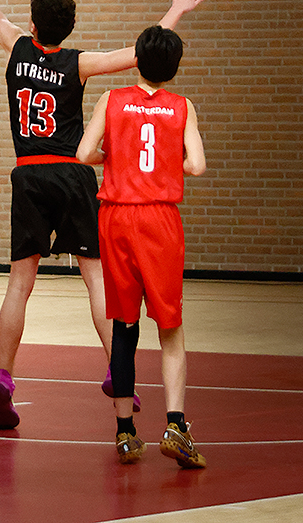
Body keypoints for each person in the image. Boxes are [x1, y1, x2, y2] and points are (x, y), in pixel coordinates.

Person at [0, 0, 206, 430]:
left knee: (19, 283)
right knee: (95, 277)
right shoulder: (78, 62)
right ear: (69, 28)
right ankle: (116, 372)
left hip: (28, 173)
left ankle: (4, 375)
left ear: (32, 25)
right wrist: (175, 11)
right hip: (73, 173)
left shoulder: (15, 46)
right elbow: (139, 55)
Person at [77, 25, 208, 468]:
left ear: (137, 60)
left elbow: (84, 154)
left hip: (115, 218)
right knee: (170, 327)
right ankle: (176, 426)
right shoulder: (182, 106)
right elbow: (197, 165)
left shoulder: (111, 100)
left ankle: (125, 433)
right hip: (159, 220)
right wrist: (166, 163)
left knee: (124, 325)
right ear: (174, 67)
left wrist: (117, 158)